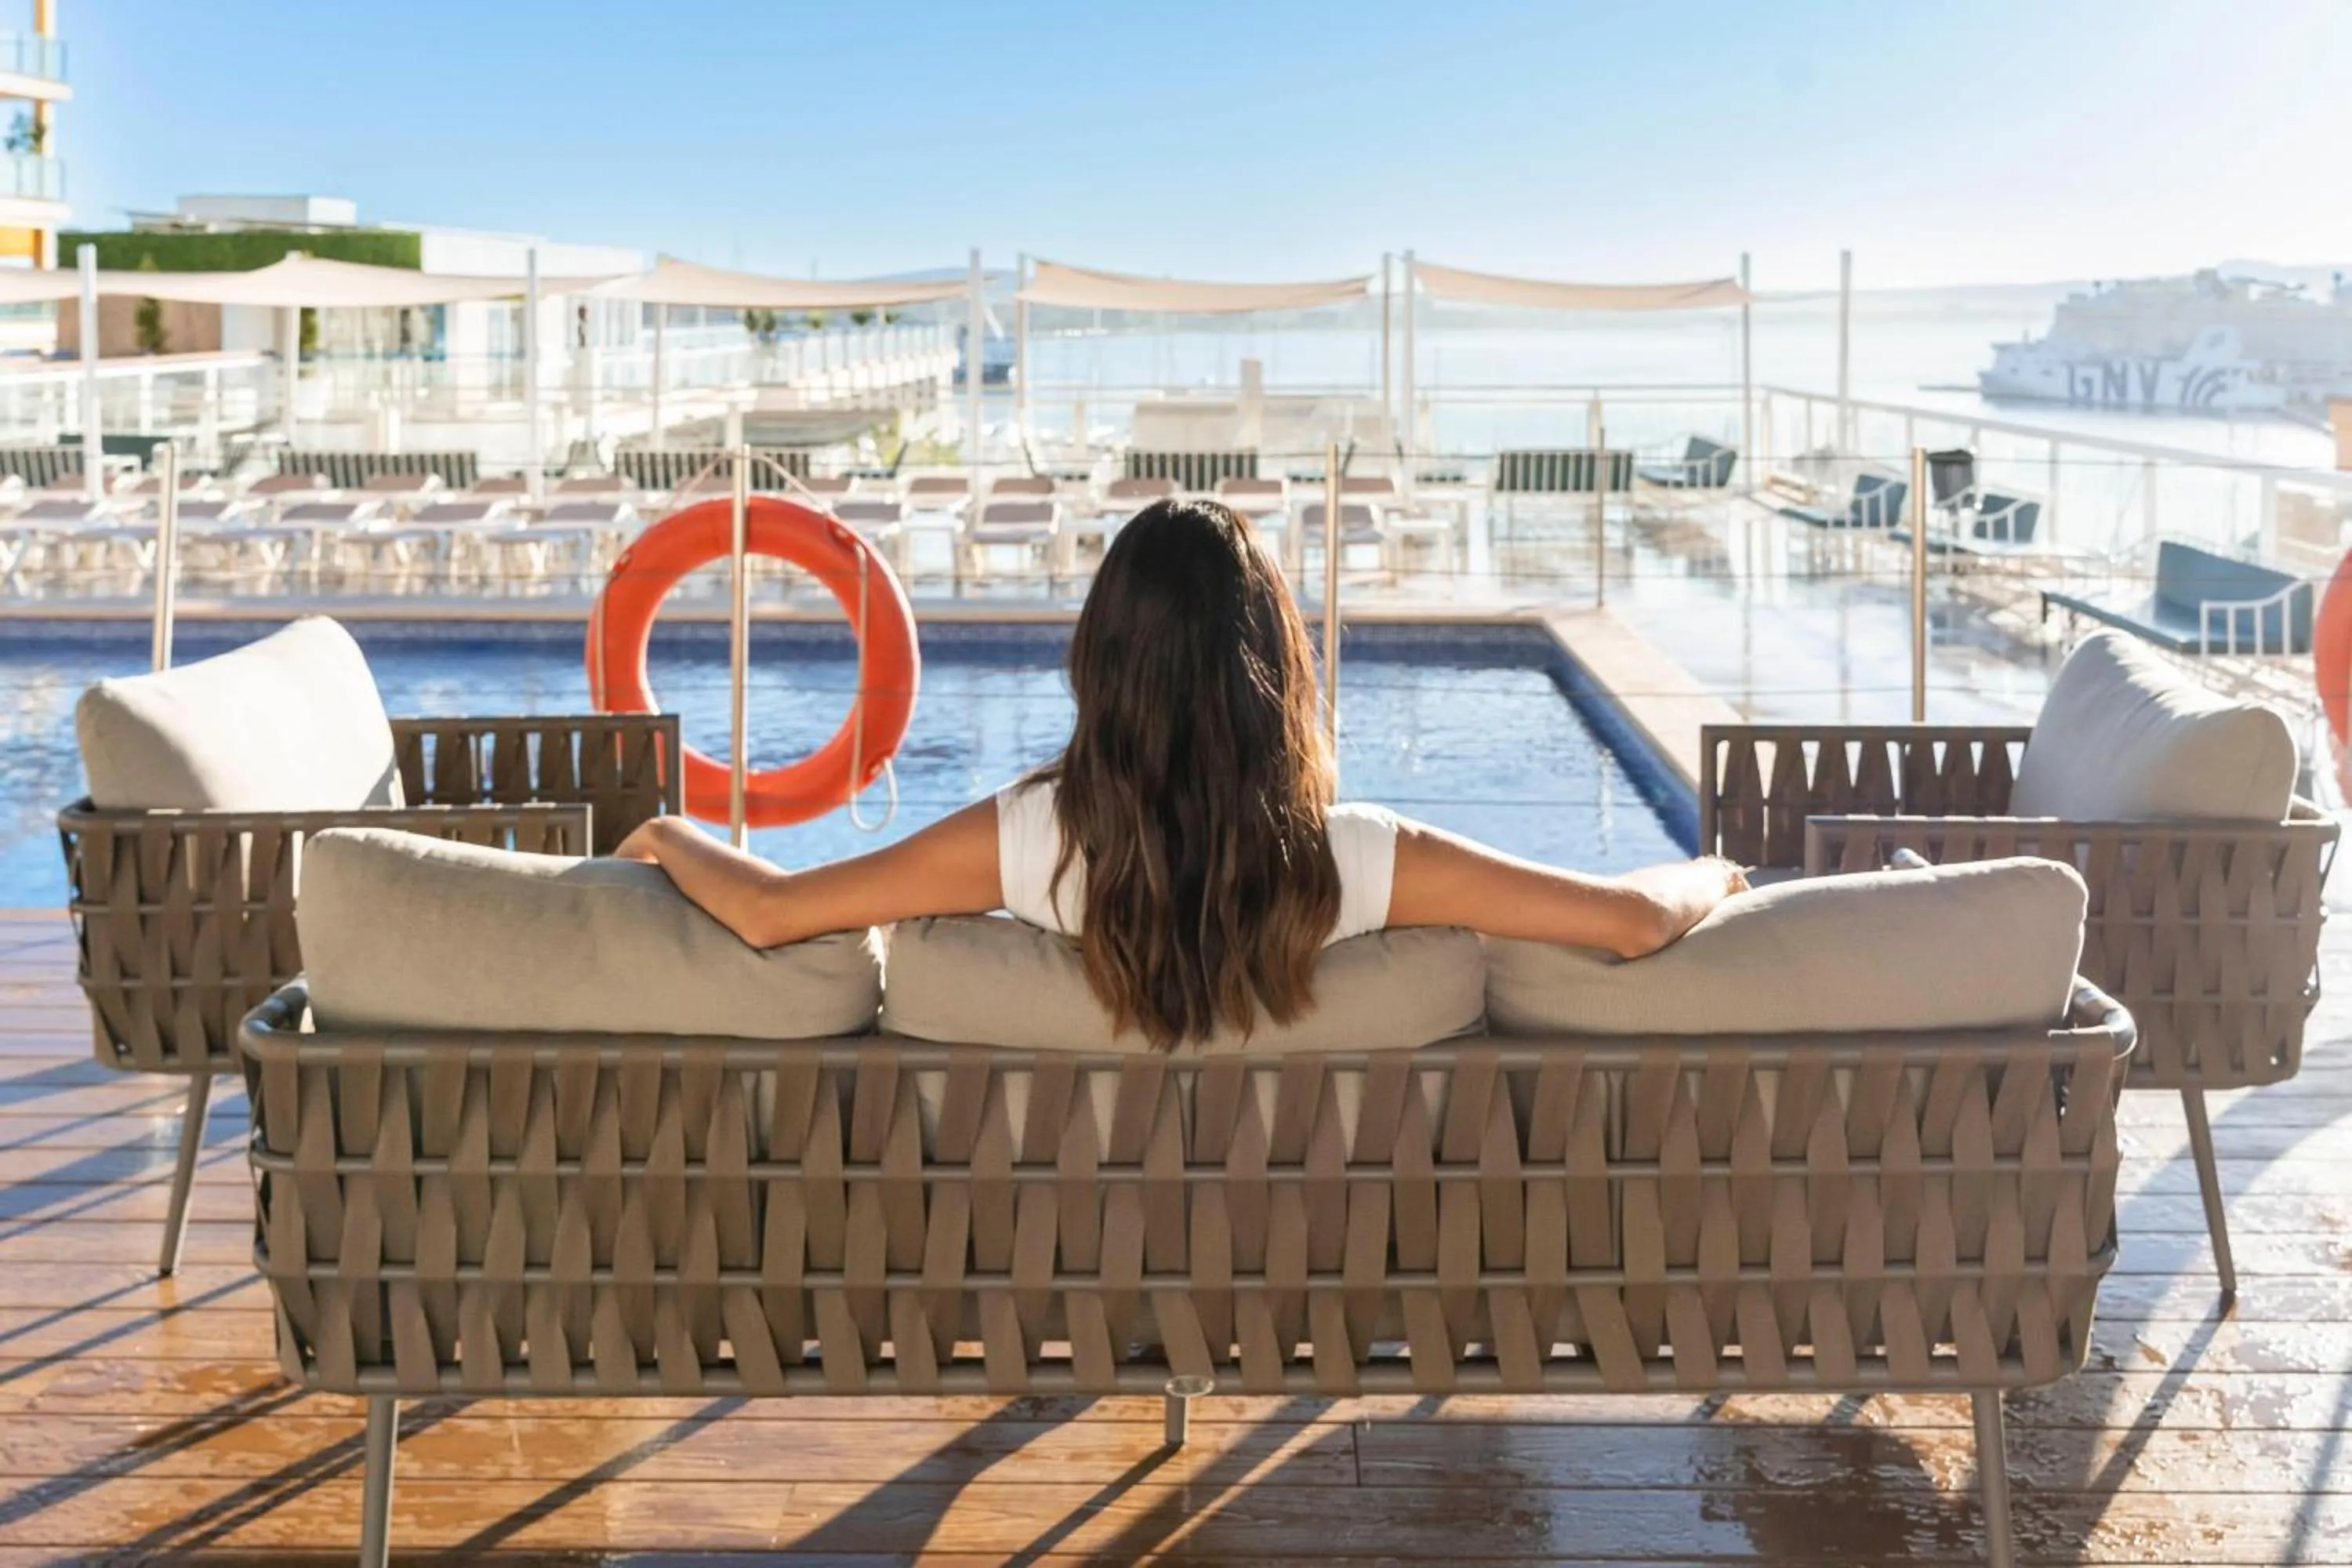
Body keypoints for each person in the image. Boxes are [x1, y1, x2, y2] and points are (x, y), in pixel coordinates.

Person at [617, 498, 1746, 1049]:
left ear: (1105, 659)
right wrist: (1718, 872)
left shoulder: (1027, 844)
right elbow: (1633, 923)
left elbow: (774, 913)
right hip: (1314, 1282)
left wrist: (666, 834)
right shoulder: (1355, 860)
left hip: (1055, 1272)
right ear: (1278, 663)